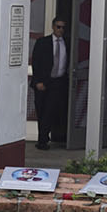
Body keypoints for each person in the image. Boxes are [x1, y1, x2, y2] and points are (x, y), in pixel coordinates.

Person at [30, 18, 70, 150]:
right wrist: (38, 81)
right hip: (43, 81)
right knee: (41, 110)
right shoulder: (43, 42)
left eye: (63, 27)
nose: (61, 30)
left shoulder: (67, 43)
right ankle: (42, 138)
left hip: (58, 82)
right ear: (53, 27)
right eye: (58, 27)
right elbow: (36, 62)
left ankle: (44, 140)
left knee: (50, 111)